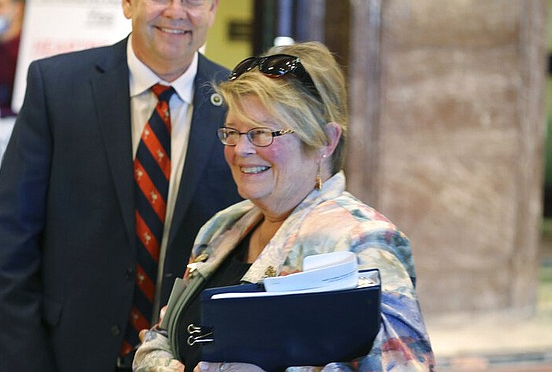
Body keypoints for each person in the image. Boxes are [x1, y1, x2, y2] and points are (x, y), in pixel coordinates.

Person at [0, 0, 241, 372]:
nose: (176, 11)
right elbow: (12, 243)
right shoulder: (57, 87)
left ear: (213, 6)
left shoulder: (241, 104)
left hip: (197, 358)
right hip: (71, 353)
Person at [133, 41, 435, 372]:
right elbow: (163, 337)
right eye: (232, 132)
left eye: (261, 134)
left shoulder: (363, 242)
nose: (240, 150)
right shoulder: (221, 228)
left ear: (325, 140)